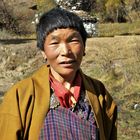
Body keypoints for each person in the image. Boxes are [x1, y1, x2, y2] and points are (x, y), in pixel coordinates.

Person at [0, 7, 117, 140]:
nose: (65, 51)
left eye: (73, 41)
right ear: (43, 52)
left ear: (84, 47)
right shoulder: (21, 95)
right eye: (55, 43)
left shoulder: (100, 94)